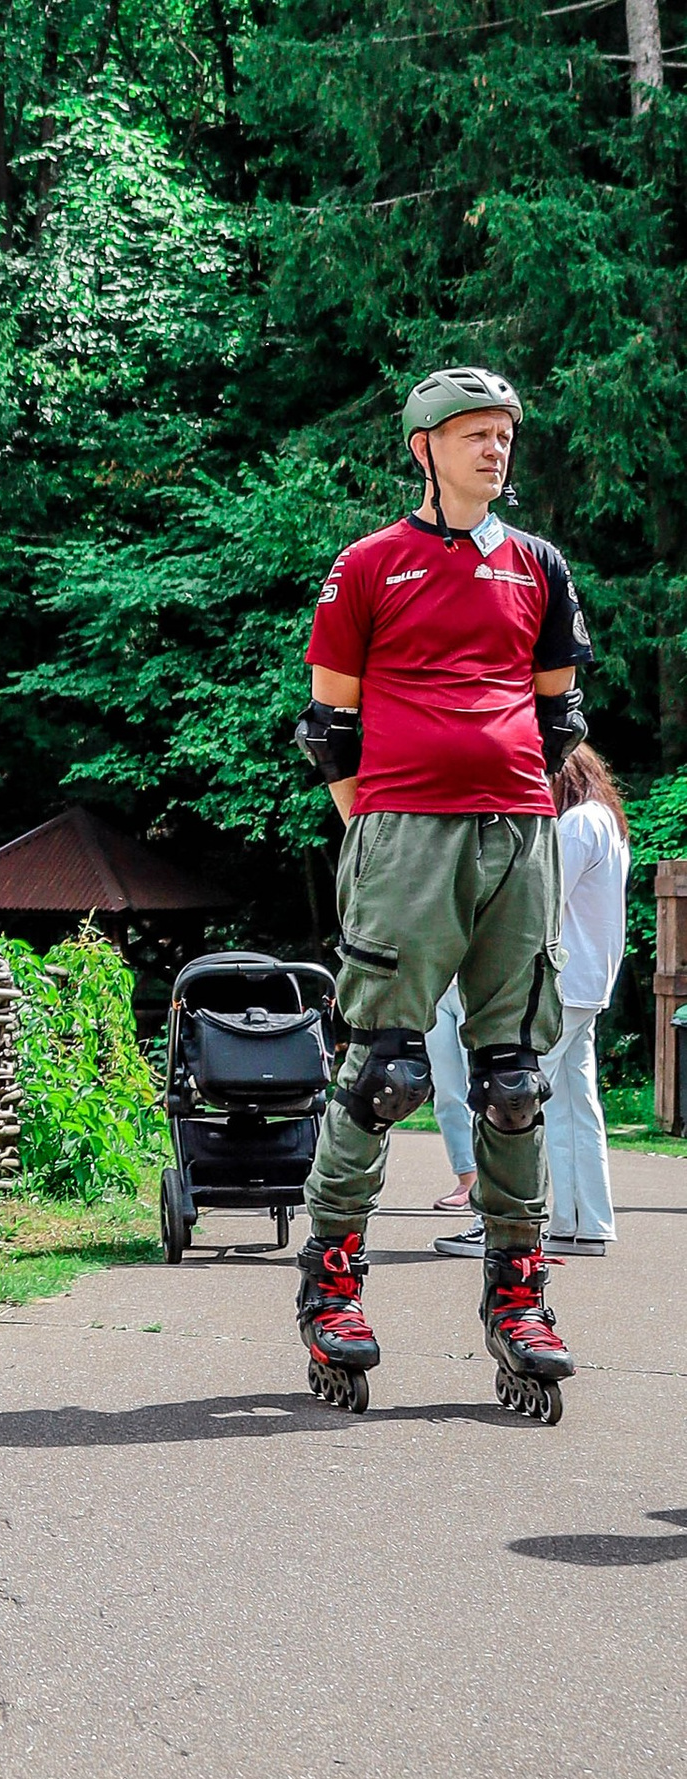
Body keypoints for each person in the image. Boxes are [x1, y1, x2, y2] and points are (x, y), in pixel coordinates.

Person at [291, 364, 590, 1405]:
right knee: (382, 1070)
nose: (493, 446)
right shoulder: (368, 565)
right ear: (422, 447)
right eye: (470, 432)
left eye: (503, 432)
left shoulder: (539, 566)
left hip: (518, 831)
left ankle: (518, 1293)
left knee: (513, 1081)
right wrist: (375, 832)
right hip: (402, 835)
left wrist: (519, 812)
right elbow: (330, 726)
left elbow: (558, 717)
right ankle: (330, 1284)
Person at [543, 743, 628, 1253]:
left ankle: (498, 1220)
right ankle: (585, 1221)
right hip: (590, 979)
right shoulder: (608, 823)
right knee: (575, 1105)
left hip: (562, 979)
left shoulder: (575, 824)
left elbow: (544, 896)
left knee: (517, 1101)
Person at [427, 983, 475, 1213]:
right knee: (447, 1094)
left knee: (484, 1090)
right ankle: (467, 1181)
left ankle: (493, 1184)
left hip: (477, 981)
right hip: (436, 984)